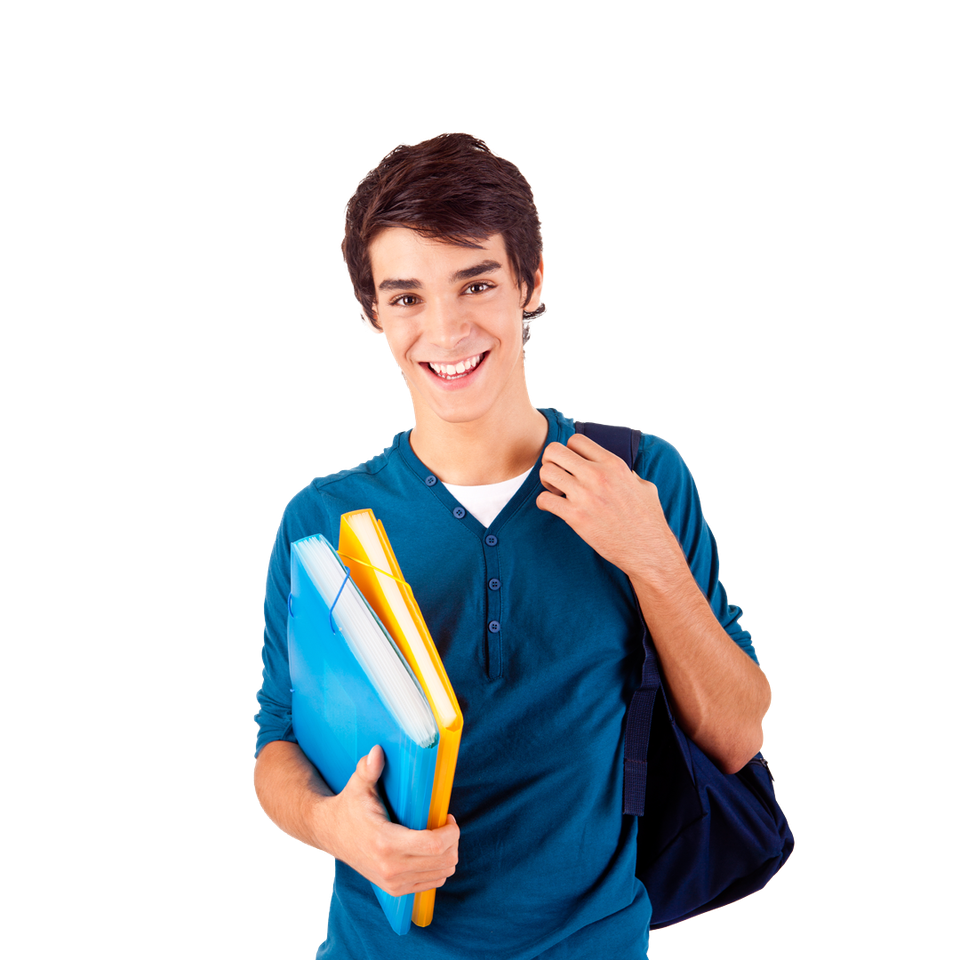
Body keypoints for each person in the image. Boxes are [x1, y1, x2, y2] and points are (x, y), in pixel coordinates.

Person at [252, 132, 772, 958]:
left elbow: (739, 734)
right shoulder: (323, 520)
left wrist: (650, 555)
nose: (447, 330)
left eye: (477, 283)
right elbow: (277, 742)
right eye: (408, 297)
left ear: (530, 284)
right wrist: (332, 825)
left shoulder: (641, 478)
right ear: (372, 314)